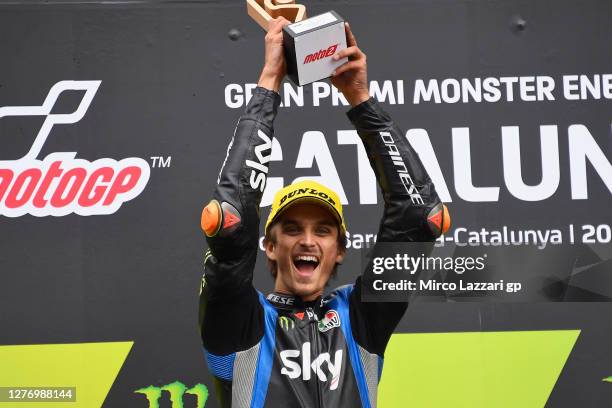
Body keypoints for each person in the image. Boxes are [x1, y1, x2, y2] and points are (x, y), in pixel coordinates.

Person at [198, 17, 450, 408]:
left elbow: (421, 217)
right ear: (269, 245)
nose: (308, 240)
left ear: (341, 250)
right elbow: (231, 223)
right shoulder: (241, 321)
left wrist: (360, 99)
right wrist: (269, 83)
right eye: (293, 228)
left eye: (324, 231)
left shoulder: (362, 318)